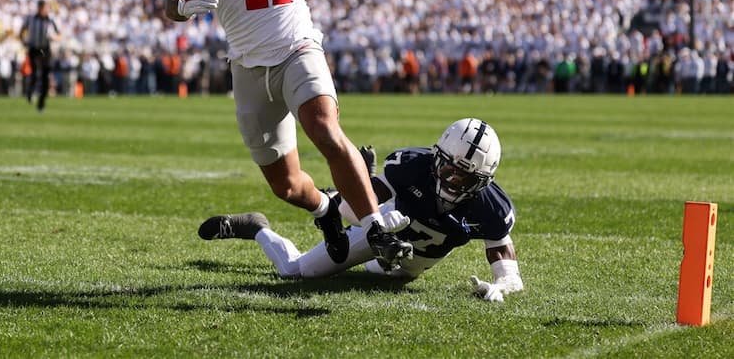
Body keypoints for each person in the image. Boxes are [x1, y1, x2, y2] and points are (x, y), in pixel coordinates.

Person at [164, 0, 411, 269]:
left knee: (324, 128)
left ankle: (376, 228)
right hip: (247, 64)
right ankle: (327, 211)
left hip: (297, 45)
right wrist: (181, 5)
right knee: (288, 186)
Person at [199, 118, 524, 302]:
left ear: (483, 180)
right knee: (296, 272)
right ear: (436, 156)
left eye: (465, 175)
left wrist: (501, 286)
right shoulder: (412, 167)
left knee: (385, 276)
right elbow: (352, 207)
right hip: (379, 236)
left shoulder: (492, 207)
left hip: (409, 265)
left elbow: (510, 272)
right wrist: (380, 222)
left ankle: (363, 183)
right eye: (449, 168)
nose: (453, 180)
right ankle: (257, 227)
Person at [20, 0, 59, 111]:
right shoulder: (31, 19)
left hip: (45, 50)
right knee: (34, 73)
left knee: (46, 76)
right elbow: (22, 31)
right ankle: (30, 92)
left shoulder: (51, 20)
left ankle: (41, 102)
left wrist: (54, 37)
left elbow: (59, 34)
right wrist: (23, 41)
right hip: (34, 48)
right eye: (42, 8)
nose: (44, 10)